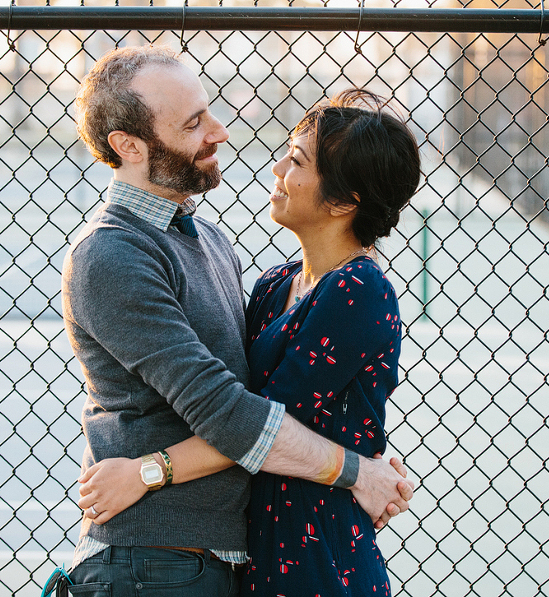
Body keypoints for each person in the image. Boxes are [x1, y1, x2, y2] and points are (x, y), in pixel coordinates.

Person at [57, 45, 414, 596]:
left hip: (239, 553)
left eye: (209, 112)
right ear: (127, 145)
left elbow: (265, 401)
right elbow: (226, 409)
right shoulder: (114, 253)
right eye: (193, 123)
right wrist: (358, 470)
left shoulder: (213, 243)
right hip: (155, 560)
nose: (219, 132)